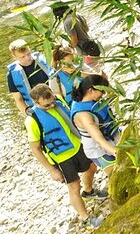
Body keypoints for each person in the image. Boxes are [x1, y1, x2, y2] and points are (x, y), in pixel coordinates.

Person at [25, 84, 106, 229]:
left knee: (92, 167)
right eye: (46, 105)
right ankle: (86, 219)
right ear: (36, 103)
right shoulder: (32, 120)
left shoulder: (58, 101)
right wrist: (52, 170)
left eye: (52, 101)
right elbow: (36, 149)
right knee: (74, 187)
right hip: (61, 158)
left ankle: (89, 192)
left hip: (77, 146)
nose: (51, 106)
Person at [71, 75, 121, 176]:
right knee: (117, 175)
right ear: (91, 90)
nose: (103, 94)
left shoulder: (89, 96)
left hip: (113, 136)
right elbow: (99, 139)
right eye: (102, 91)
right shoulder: (84, 115)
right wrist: (118, 153)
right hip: (99, 149)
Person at [6, 39, 57, 114]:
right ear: (15, 57)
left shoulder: (43, 60)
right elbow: (19, 100)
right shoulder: (12, 75)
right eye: (22, 57)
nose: (27, 58)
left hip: (56, 100)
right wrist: (29, 113)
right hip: (38, 109)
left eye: (28, 53)